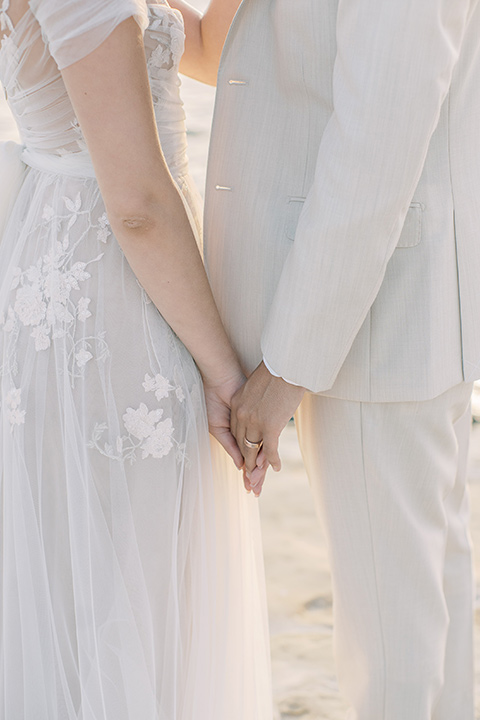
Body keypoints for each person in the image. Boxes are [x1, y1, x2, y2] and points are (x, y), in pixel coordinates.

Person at [204, 0, 480, 718]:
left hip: (380, 323)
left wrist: (287, 369)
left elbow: (378, 145)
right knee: (428, 616)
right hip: (382, 311)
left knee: (393, 648)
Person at [0, 0, 272, 718]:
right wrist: (226, 372)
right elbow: (138, 203)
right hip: (110, 300)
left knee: (102, 583)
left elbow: (211, 49)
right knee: (128, 587)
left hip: (96, 283)